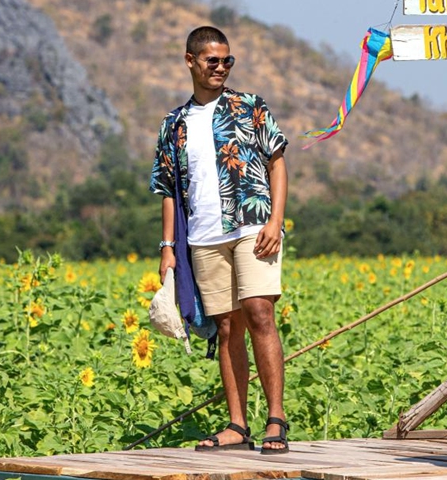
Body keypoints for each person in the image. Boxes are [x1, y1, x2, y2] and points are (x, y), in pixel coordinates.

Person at [149, 26, 290, 454]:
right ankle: (236, 424)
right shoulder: (173, 124)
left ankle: (276, 420)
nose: (222, 68)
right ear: (190, 61)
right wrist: (168, 248)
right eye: (213, 60)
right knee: (227, 328)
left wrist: (275, 221)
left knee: (260, 313)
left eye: (228, 60)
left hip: (253, 226)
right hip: (204, 237)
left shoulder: (250, 106)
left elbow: (278, 163)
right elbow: (168, 191)